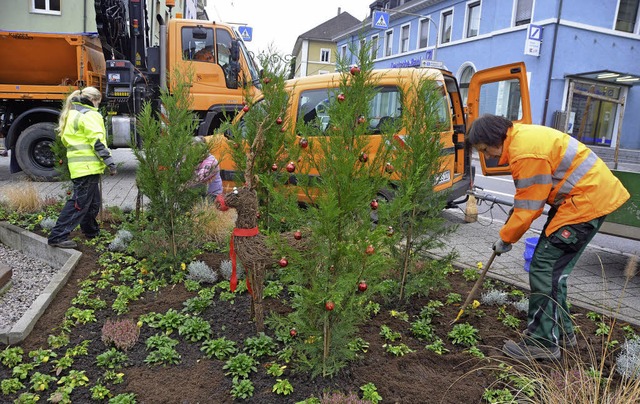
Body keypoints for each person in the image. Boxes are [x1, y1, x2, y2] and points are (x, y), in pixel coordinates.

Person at [467, 114, 630, 361]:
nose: (487, 155)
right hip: (585, 199)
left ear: (493, 139)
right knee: (554, 271)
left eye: (484, 149)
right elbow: (529, 196)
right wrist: (514, 220)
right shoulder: (522, 139)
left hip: (584, 203)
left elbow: (530, 207)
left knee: (543, 267)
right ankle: (562, 333)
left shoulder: (525, 153)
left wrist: (506, 238)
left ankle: (542, 342)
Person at [48, 87, 117, 248]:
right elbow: (97, 141)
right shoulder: (90, 114)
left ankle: (91, 230)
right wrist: (109, 162)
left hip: (80, 166)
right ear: (94, 100)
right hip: (88, 166)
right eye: (98, 103)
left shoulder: (71, 114)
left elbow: (67, 141)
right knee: (79, 204)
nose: (98, 106)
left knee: (92, 202)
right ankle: (57, 236)